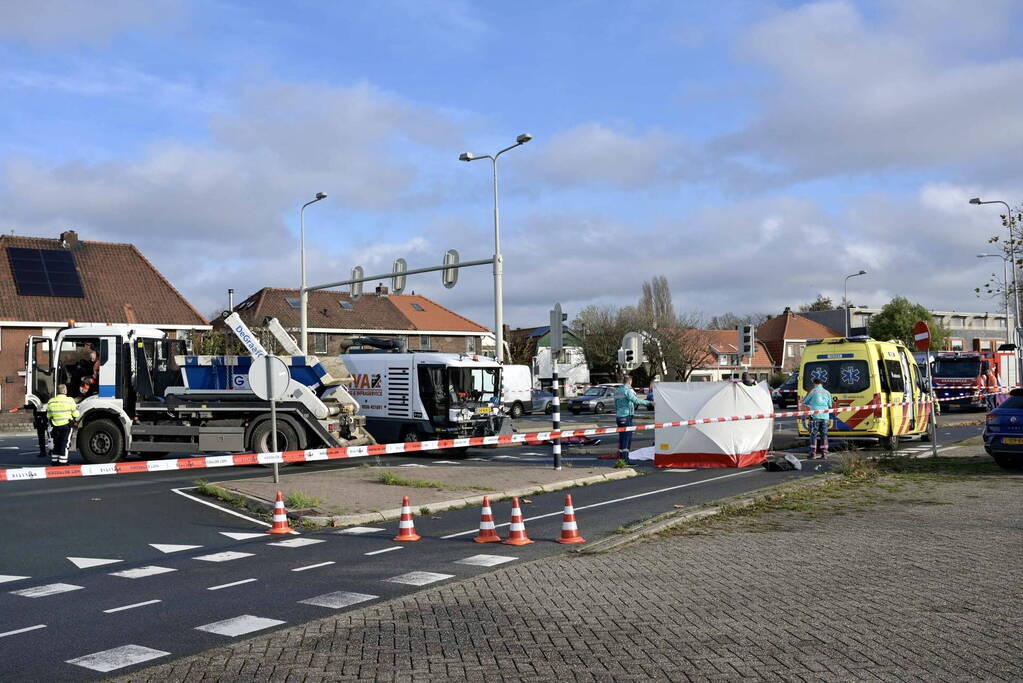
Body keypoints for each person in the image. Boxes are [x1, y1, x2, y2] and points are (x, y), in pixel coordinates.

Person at [614, 376, 651, 463]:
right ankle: (626, 459)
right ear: (630, 382)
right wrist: (649, 402)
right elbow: (636, 401)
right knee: (627, 438)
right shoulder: (627, 391)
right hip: (626, 416)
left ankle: (621, 458)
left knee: (622, 437)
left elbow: (615, 404)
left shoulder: (617, 391)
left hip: (619, 416)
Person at [46, 384, 79, 465]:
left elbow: (49, 415)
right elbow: (76, 414)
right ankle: (62, 462)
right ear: (65, 391)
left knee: (56, 443)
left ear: (57, 391)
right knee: (64, 443)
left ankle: (54, 461)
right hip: (66, 425)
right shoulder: (70, 400)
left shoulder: (51, 401)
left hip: (55, 425)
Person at [800, 377, 833, 459]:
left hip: (815, 416)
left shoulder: (813, 391)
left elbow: (804, 401)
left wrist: (810, 404)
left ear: (815, 384)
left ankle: (812, 453)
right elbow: (830, 405)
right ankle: (824, 453)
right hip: (825, 417)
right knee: (824, 435)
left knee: (813, 434)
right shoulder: (827, 392)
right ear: (821, 384)